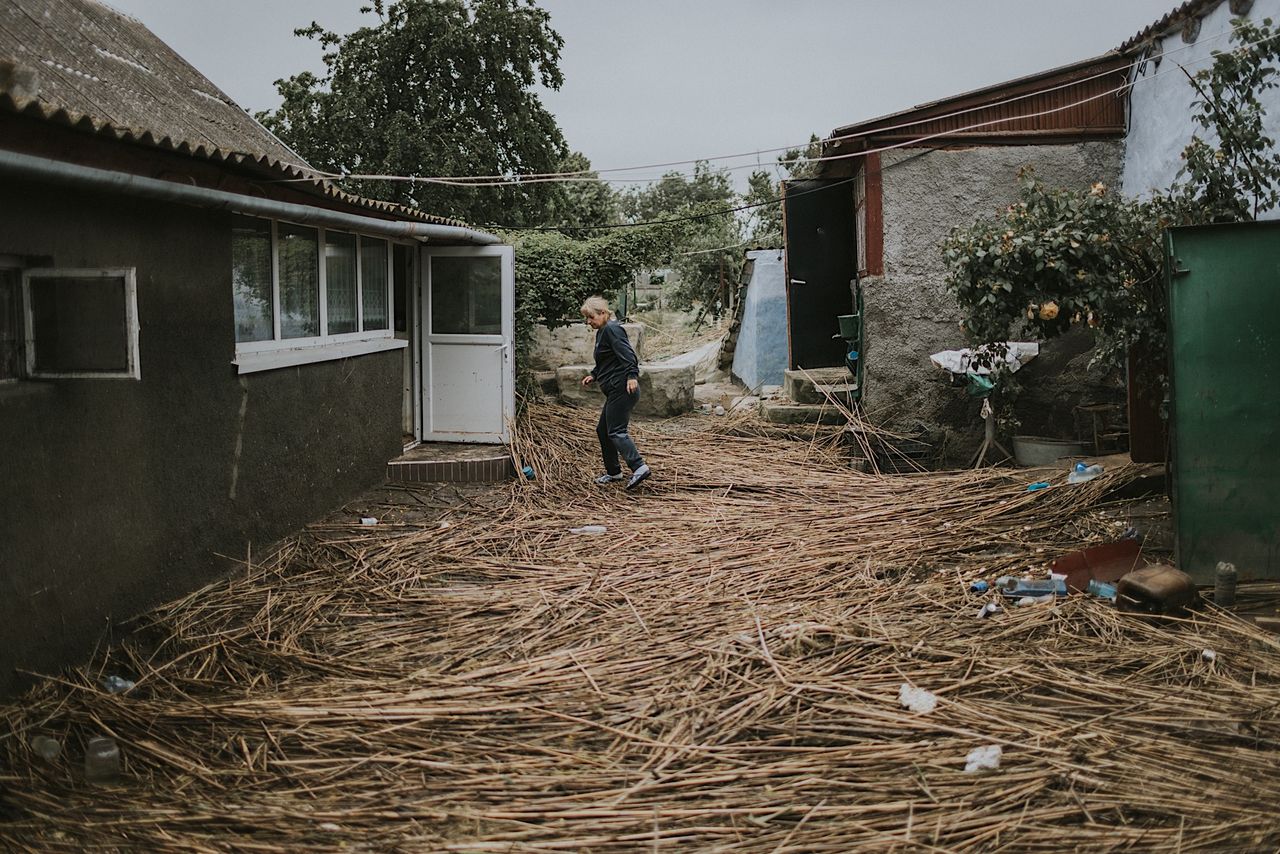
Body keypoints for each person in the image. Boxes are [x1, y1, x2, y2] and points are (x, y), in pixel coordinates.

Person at [580, 296, 651, 490]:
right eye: (587, 318)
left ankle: (639, 467)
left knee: (616, 431)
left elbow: (628, 354)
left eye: (591, 317)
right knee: (603, 431)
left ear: (603, 313)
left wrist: (632, 375)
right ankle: (614, 472)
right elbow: (606, 360)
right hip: (615, 389)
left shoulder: (612, 329)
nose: (589, 322)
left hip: (623, 388)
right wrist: (594, 375)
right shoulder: (603, 331)